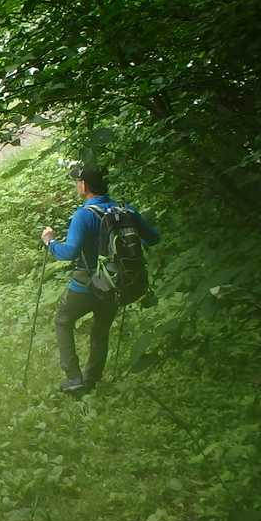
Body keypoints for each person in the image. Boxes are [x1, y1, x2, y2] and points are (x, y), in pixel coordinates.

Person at [40, 164, 160, 396]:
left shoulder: (84, 215)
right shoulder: (126, 211)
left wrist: (49, 241)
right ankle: (92, 380)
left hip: (85, 286)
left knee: (63, 320)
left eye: (77, 182)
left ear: (84, 185)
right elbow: (153, 238)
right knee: (101, 330)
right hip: (115, 284)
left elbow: (69, 253)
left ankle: (74, 378)